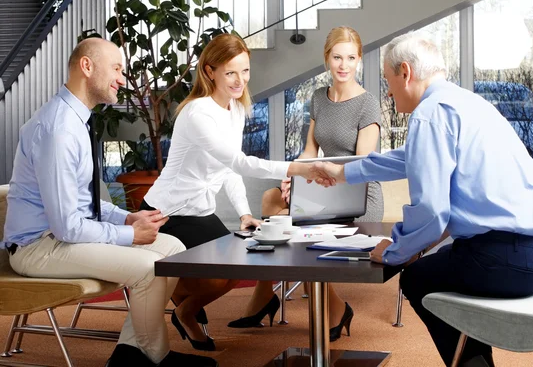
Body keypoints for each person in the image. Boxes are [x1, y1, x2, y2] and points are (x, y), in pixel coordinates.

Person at [313, 32, 533, 367]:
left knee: (418, 277)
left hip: (512, 260)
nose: (387, 92)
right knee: (448, 260)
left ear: (406, 72)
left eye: (388, 81)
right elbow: (408, 158)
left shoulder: (429, 114)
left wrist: (394, 251)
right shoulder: (468, 103)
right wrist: (341, 173)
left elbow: (433, 212)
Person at [1, 38, 217, 367]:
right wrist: (131, 236)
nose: (122, 78)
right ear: (87, 67)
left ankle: (132, 356)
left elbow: (86, 202)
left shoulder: (76, 121)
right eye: (116, 68)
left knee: (172, 248)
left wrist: (129, 219)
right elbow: (67, 227)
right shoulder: (58, 130)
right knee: (148, 269)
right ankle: (153, 358)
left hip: (57, 239)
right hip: (38, 248)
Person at [141, 33, 328, 351]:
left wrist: (243, 213)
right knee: (217, 275)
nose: (240, 80)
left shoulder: (235, 109)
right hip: (167, 212)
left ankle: (184, 307)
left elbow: (226, 170)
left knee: (238, 266)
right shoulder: (197, 113)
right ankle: (185, 308)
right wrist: (296, 169)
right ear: (210, 71)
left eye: (245, 71)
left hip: (199, 210)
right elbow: (238, 162)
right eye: (230, 72)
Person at [243, 26, 382, 342]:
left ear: (359, 60)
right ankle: (265, 292)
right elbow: (309, 152)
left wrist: (315, 179)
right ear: (327, 59)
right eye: (337, 57)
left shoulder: (368, 104)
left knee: (295, 229)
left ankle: (335, 307)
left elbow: (361, 164)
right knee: (270, 199)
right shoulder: (319, 97)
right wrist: (294, 177)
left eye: (350, 57)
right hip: (321, 185)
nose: (343, 65)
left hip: (355, 193)